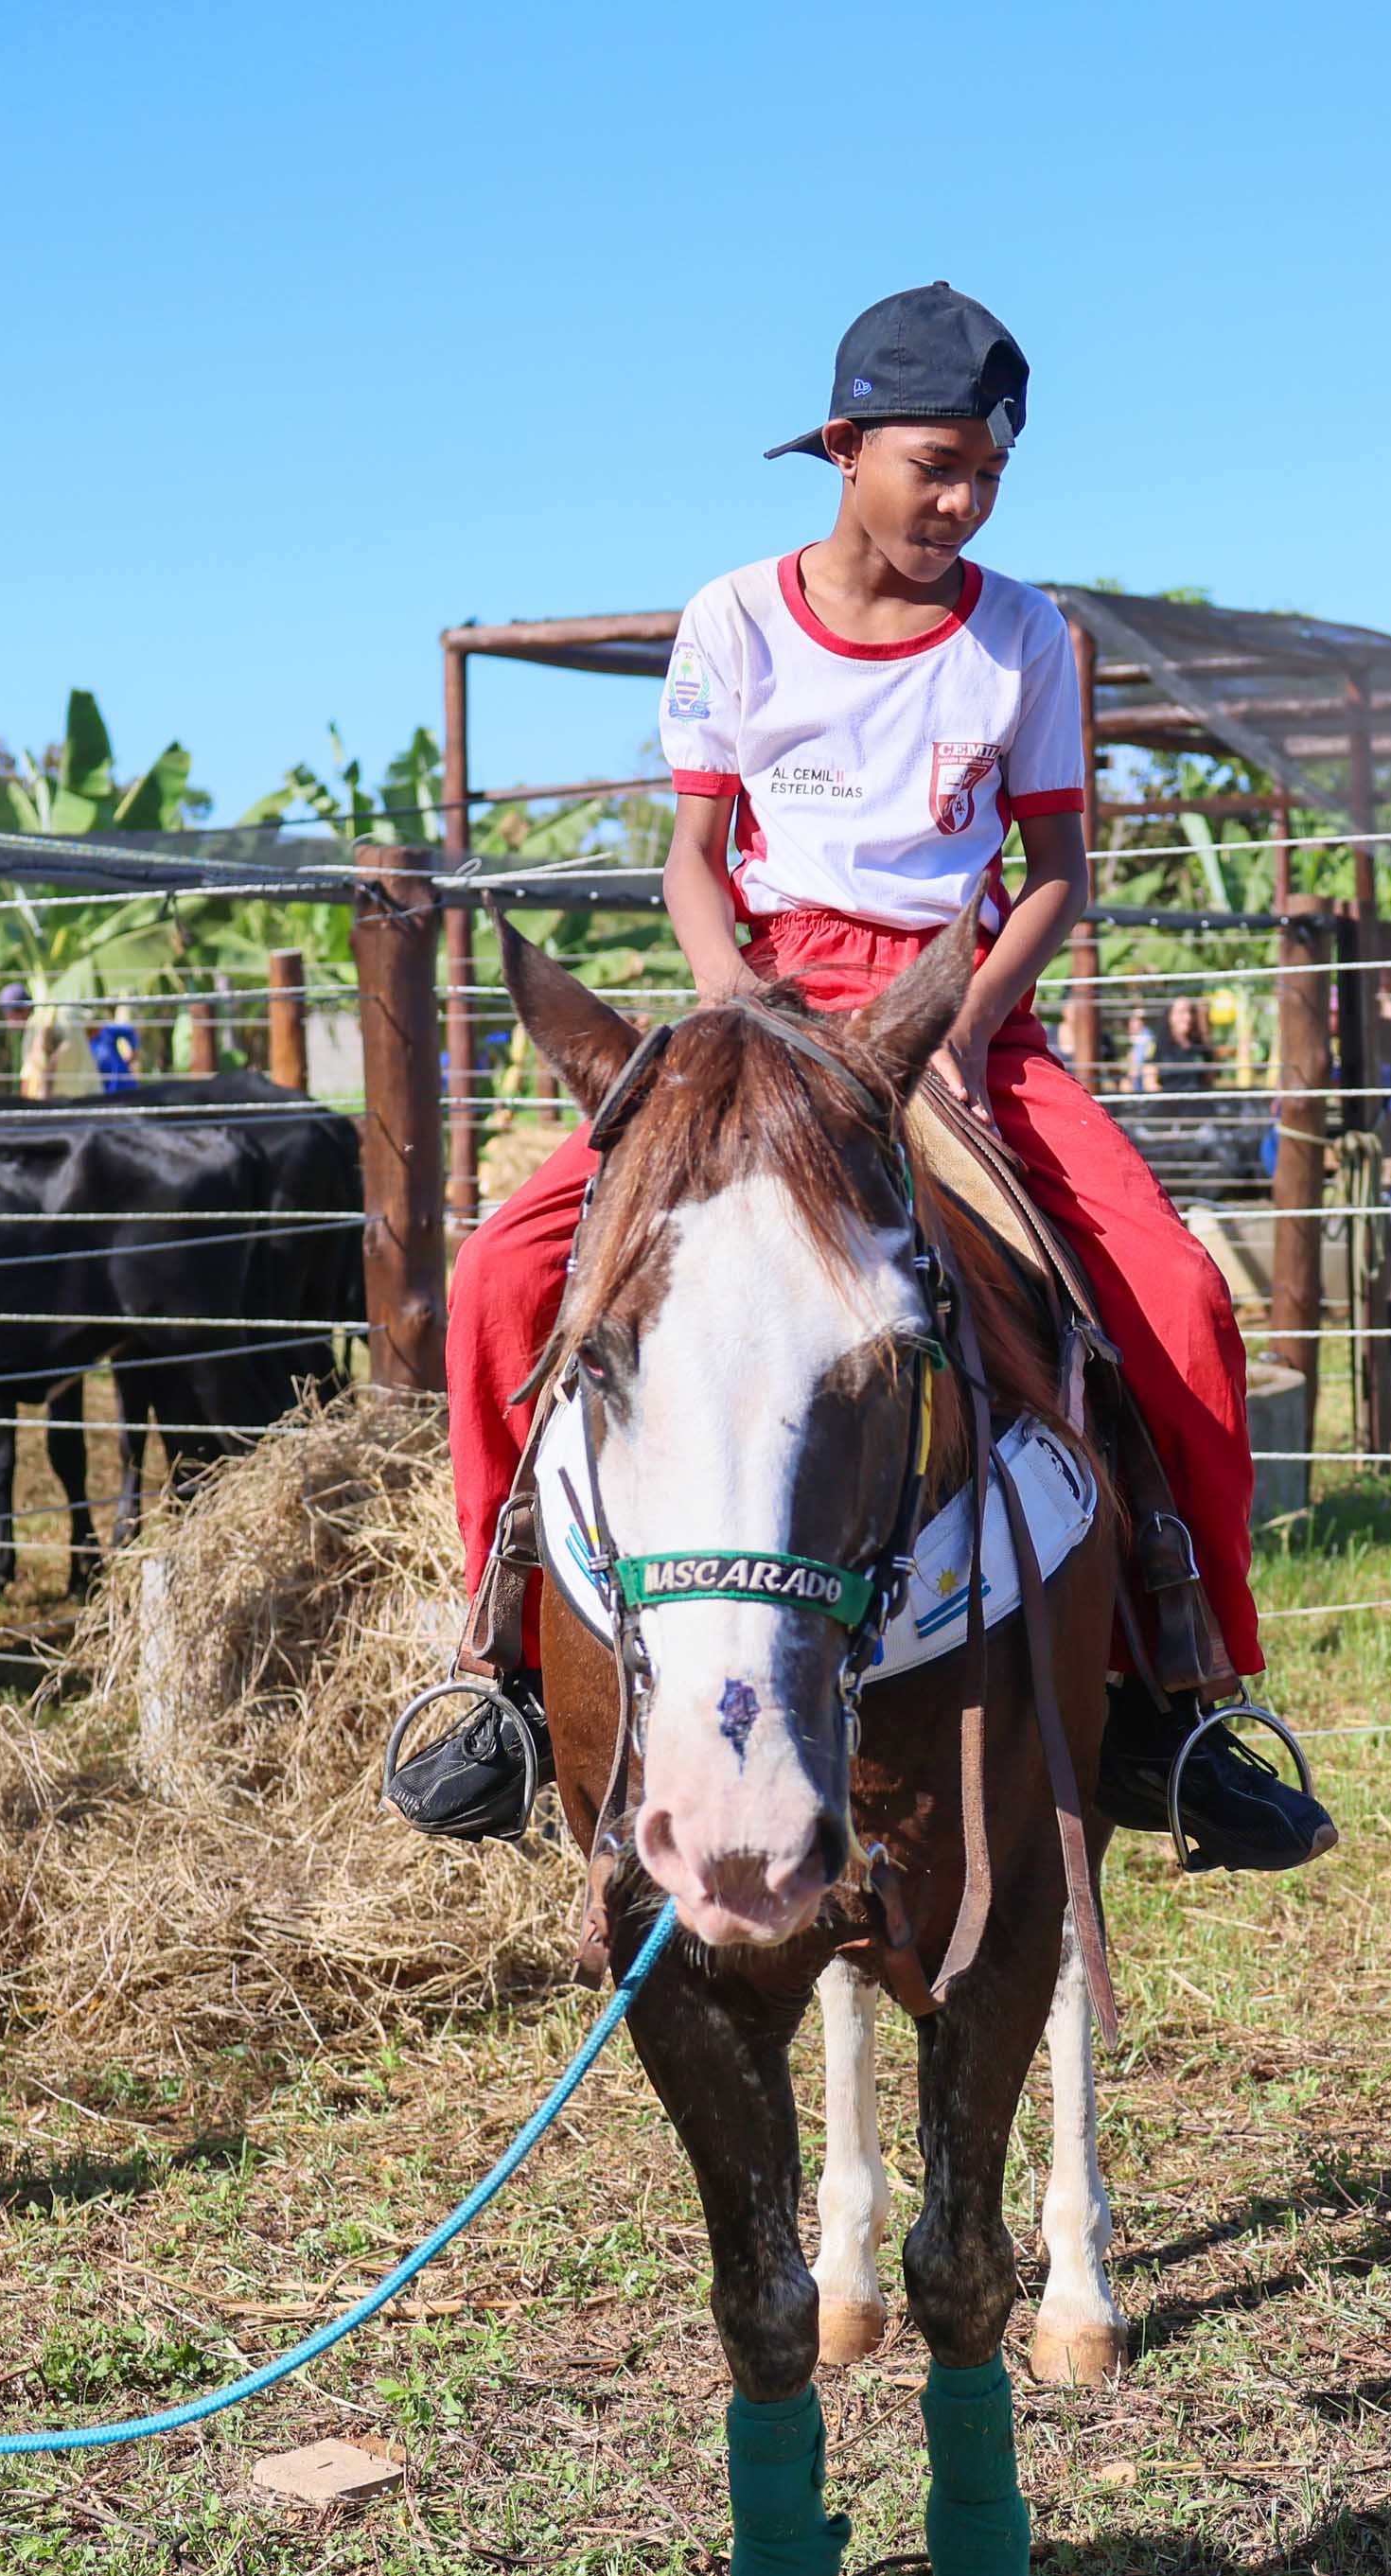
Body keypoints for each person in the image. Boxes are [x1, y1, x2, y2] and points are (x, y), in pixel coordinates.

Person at [389, 282, 1331, 1871]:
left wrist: (959, 1027)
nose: (958, 503)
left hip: (957, 1015)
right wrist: (738, 1021)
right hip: (758, 1005)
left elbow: (1049, 873)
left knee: (1174, 1300)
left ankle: (1183, 1688)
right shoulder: (734, 618)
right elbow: (691, 862)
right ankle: (493, 1667)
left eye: (983, 475)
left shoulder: (1026, 635)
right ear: (842, 447)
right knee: (497, 1276)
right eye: (930, 466)